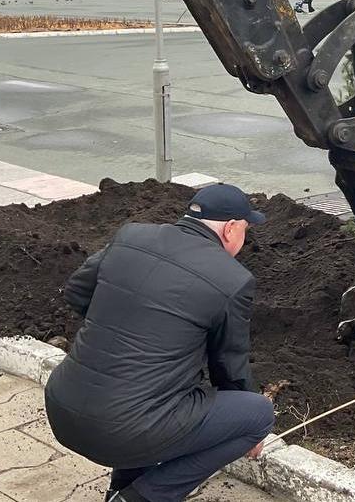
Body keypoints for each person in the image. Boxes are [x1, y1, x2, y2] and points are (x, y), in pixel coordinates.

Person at [45, 183, 274, 502]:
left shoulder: (132, 237)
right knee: (258, 414)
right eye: (246, 230)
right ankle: (141, 497)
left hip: (61, 406)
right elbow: (229, 367)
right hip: (123, 430)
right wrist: (244, 428)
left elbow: (77, 292)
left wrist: (120, 325)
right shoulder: (232, 279)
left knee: (158, 399)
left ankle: (120, 490)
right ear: (231, 229)